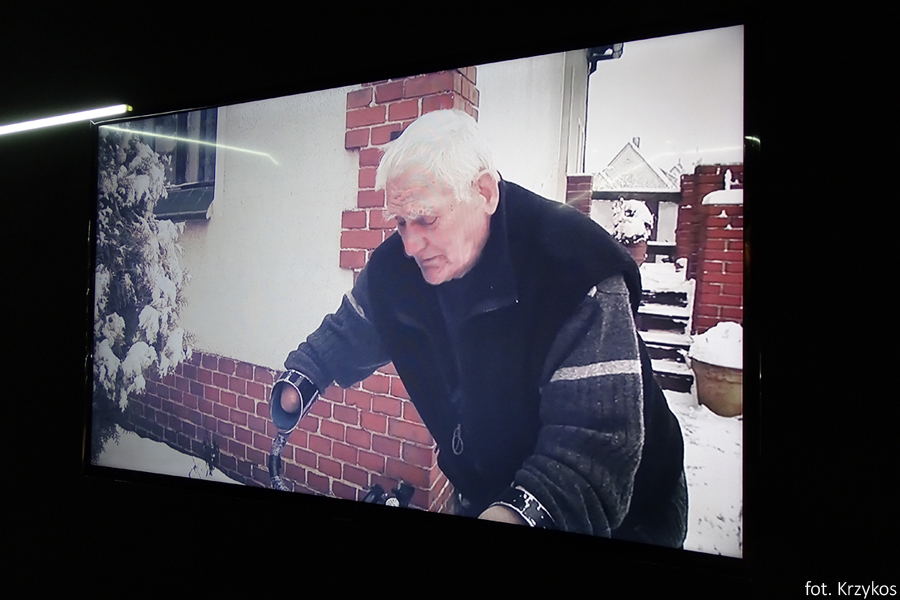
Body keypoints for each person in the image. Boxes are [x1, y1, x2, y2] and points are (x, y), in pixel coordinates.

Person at [270, 109, 687, 547]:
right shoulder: (400, 266)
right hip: (485, 482)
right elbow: (349, 329)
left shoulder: (576, 272)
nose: (410, 245)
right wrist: (300, 380)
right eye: (400, 222)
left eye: (426, 218)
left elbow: (591, 452)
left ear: (484, 192)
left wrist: (515, 511)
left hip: (631, 514)